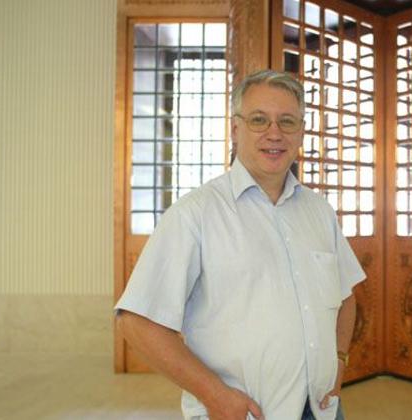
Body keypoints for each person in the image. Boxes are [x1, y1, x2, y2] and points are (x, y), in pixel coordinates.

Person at [115, 69, 365, 420]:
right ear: (235, 129)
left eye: (287, 121)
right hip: (241, 414)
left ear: (301, 132)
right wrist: (215, 396)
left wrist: (339, 360)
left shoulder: (319, 210)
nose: (274, 133)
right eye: (259, 120)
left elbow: (345, 295)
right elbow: (137, 322)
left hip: (323, 408)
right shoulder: (194, 214)